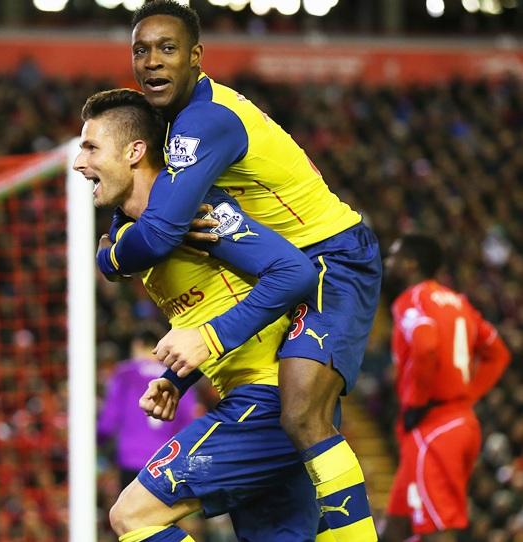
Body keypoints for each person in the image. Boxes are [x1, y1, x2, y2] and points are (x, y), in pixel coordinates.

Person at [95, 1, 381, 539]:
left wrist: (108, 256)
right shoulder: (178, 123)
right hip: (295, 267)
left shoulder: (204, 121)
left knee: (300, 413)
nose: (151, 61)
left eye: (167, 48)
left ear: (197, 57)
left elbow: (156, 233)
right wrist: (180, 377)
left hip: (333, 257)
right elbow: (156, 220)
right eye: (140, 50)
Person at [75, 88, 338, 542]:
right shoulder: (145, 233)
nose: (79, 162)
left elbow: (294, 273)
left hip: (272, 399)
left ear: (135, 151)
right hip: (261, 400)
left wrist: (208, 340)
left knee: (132, 516)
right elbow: (212, 302)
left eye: (91, 147)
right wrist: (177, 380)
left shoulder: (201, 212)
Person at [381, 234, 511, 542]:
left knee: (437, 529)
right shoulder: (460, 303)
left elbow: (425, 345)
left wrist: (419, 401)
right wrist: (468, 395)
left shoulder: (412, 299)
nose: (389, 262)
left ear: (411, 264)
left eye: (395, 256)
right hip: (456, 422)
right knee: (397, 525)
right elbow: (498, 353)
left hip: (434, 426)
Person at [97, 325, 198, 491]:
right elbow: (188, 424)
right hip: (165, 462)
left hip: (131, 459)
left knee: (129, 515)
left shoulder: (124, 374)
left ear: (137, 345)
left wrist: (94, 444)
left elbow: (108, 423)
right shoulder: (179, 378)